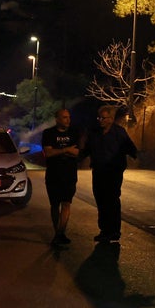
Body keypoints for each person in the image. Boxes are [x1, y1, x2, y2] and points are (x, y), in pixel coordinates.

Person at [81, 105, 137, 242]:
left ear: (111, 119)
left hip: (113, 172)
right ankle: (105, 230)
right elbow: (87, 149)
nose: (101, 120)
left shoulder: (119, 133)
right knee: (100, 199)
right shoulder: (94, 133)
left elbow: (130, 148)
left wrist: (135, 156)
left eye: (103, 118)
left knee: (112, 200)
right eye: (99, 118)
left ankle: (114, 230)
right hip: (99, 171)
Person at [41, 108, 81, 246]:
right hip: (53, 174)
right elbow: (48, 153)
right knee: (54, 205)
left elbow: (77, 152)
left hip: (69, 174)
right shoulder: (48, 133)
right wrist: (66, 150)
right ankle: (58, 233)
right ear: (57, 119)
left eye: (69, 117)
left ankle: (60, 234)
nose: (68, 120)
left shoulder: (74, 133)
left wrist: (58, 151)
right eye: (64, 117)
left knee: (66, 203)